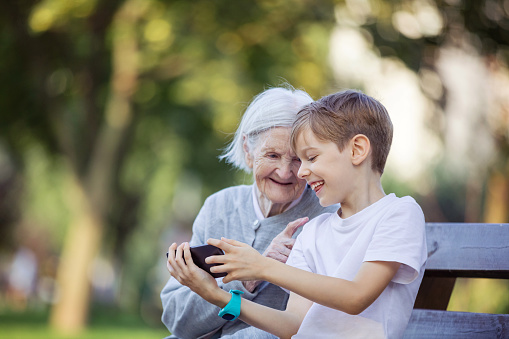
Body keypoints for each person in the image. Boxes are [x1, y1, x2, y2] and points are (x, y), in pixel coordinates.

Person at [166, 89, 427, 339]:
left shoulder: (397, 213)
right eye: (273, 155)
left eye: (307, 158)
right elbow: (294, 326)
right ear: (248, 150)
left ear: (357, 150)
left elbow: (355, 297)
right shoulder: (315, 230)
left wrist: (262, 267)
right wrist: (220, 297)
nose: (296, 172)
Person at [160, 86, 339, 339]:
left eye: (298, 158)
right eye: (273, 155)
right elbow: (177, 321)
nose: (285, 172)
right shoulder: (219, 207)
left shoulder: (327, 217)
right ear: (248, 150)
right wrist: (245, 279)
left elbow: (309, 327)